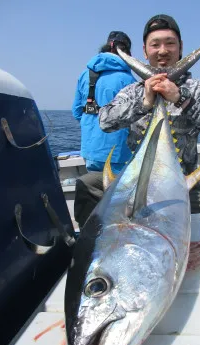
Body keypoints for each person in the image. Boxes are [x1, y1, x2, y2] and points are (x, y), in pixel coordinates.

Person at [99, 14, 200, 263]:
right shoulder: (132, 91)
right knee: (86, 190)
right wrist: (144, 102)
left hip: (183, 185)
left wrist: (181, 99)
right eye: (155, 44)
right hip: (136, 186)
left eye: (170, 43)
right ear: (145, 52)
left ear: (180, 49)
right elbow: (105, 122)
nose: (162, 50)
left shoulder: (198, 89)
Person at [72, 31, 136, 228]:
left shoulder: (86, 74)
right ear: (126, 52)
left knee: (95, 196)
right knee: (118, 203)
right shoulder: (129, 78)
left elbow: (76, 112)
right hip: (119, 154)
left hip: (91, 152)